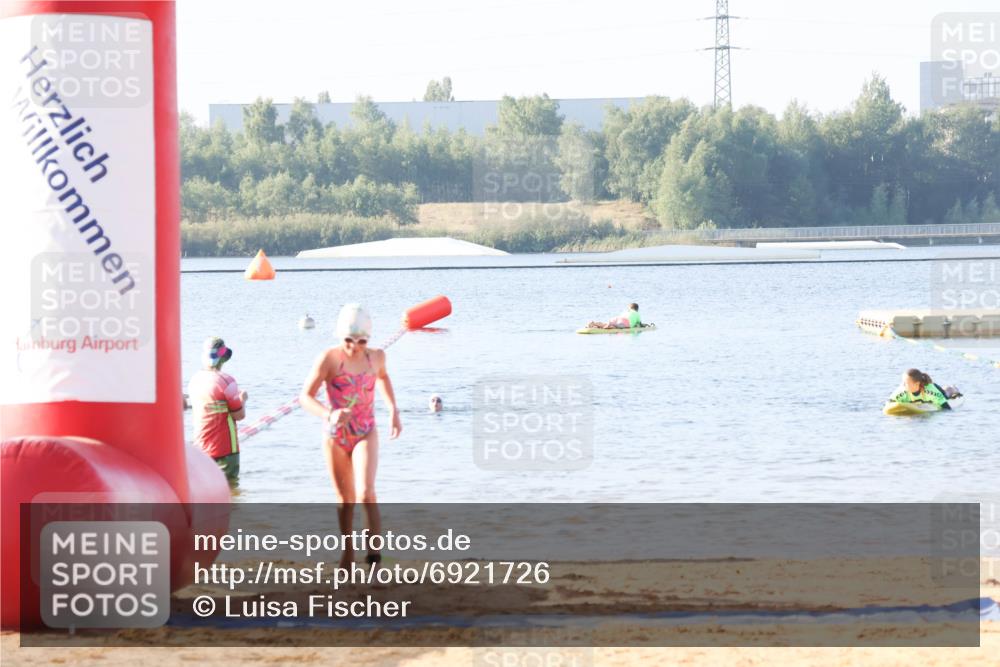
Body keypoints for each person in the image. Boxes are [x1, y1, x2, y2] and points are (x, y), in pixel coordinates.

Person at [300, 304, 402, 569]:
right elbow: (305, 397)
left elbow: (383, 377)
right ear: (339, 336)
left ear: (368, 340)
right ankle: (347, 555)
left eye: (361, 341)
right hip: (335, 435)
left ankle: (374, 560)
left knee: (366, 493)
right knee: (345, 500)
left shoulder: (376, 357)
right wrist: (328, 414)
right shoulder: (329, 359)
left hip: (365, 430)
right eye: (348, 339)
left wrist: (393, 409)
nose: (354, 346)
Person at [187, 337, 247, 484]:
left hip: (200, 449)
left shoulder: (195, 380)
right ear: (223, 359)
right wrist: (243, 399)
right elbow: (239, 415)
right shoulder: (227, 381)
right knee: (230, 491)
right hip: (225, 452)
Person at [889, 368, 961, 409]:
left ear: (917, 383)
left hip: (935, 388)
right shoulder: (901, 391)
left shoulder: (931, 392)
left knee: (947, 395)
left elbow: (947, 408)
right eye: (903, 382)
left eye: (906, 383)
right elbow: (889, 405)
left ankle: (952, 389)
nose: (903, 385)